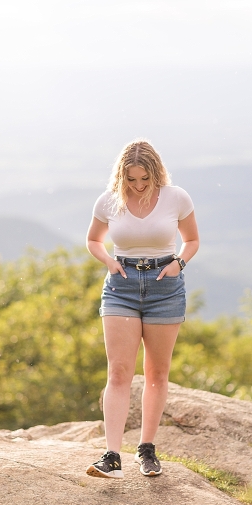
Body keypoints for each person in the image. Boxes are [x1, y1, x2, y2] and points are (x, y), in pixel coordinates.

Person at [85, 139, 199, 478]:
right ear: (122, 175)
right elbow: (93, 239)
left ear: (156, 173)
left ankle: (146, 449)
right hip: (121, 286)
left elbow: (191, 240)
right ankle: (112, 456)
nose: (137, 186)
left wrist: (179, 262)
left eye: (144, 180)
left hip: (165, 285)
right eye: (131, 180)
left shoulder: (176, 197)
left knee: (157, 373)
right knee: (119, 372)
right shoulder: (108, 201)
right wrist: (107, 260)